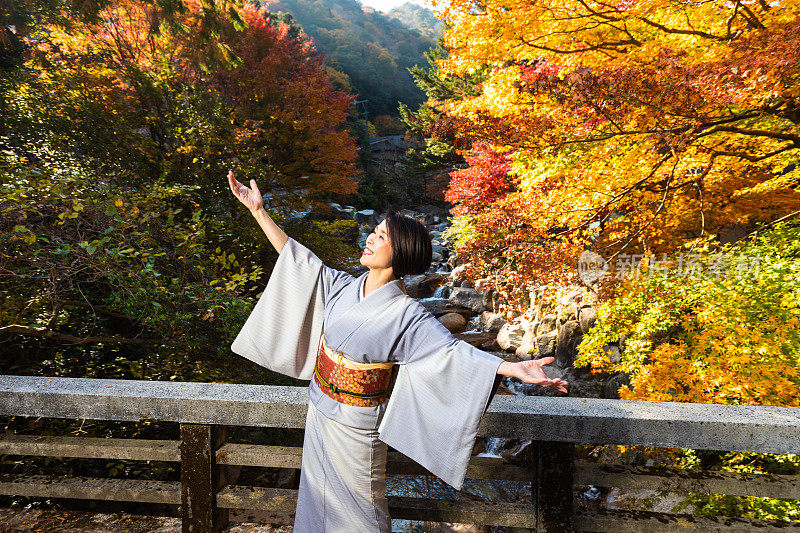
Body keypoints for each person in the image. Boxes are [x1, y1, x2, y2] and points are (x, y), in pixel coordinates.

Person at [226, 171, 568, 532]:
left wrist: (512, 368)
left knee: (362, 511)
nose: (370, 239)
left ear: (400, 250)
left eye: (381, 236)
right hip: (321, 408)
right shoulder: (343, 285)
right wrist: (258, 211)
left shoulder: (407, 313)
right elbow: (298, 261)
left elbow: (451, 353)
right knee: (317, 498)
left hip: (358, 425)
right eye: (373, 232)